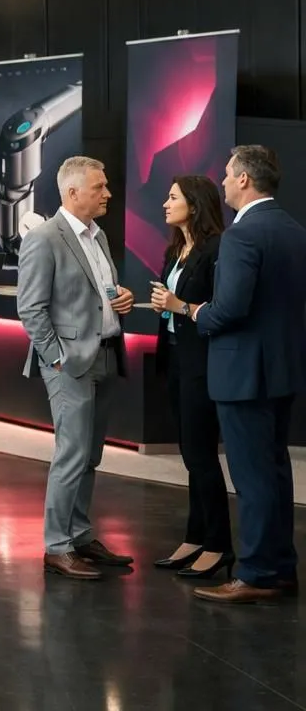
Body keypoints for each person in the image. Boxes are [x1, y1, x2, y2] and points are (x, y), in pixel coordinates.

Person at [190, 146, 306, 604]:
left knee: (254, 477)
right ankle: (279, 568)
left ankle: (256, 573)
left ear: (243, 179)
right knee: (275, 472)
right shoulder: (294, 230)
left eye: (226, 174)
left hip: (243, 374)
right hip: (282, 370)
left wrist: (197, 312)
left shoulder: (242, 235)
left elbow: (230, 309)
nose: (221, 182)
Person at [16, 156, 136, 581]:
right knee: (72, 453)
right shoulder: (45, 238)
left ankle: (80, 534)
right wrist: (56, 357)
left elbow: (97, 292)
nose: (108, 194)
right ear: (72, 192)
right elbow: (30, 308)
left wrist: (120, 297)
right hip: (70, 363)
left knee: (90, 454)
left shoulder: (97, 236)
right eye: (99, 187)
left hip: (105, 353)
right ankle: (57, 546)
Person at [148, 175, 230, 579]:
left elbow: (218, 309)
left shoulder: (217, 250)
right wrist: (165, 306)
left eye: (173, 197)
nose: (165, 203)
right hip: (176, 358)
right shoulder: (176, 249)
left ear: (194, 205)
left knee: (201, 455)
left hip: (202, 362)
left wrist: (178, 305)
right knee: (190, 454)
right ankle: (195, 536)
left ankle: (218, 543)